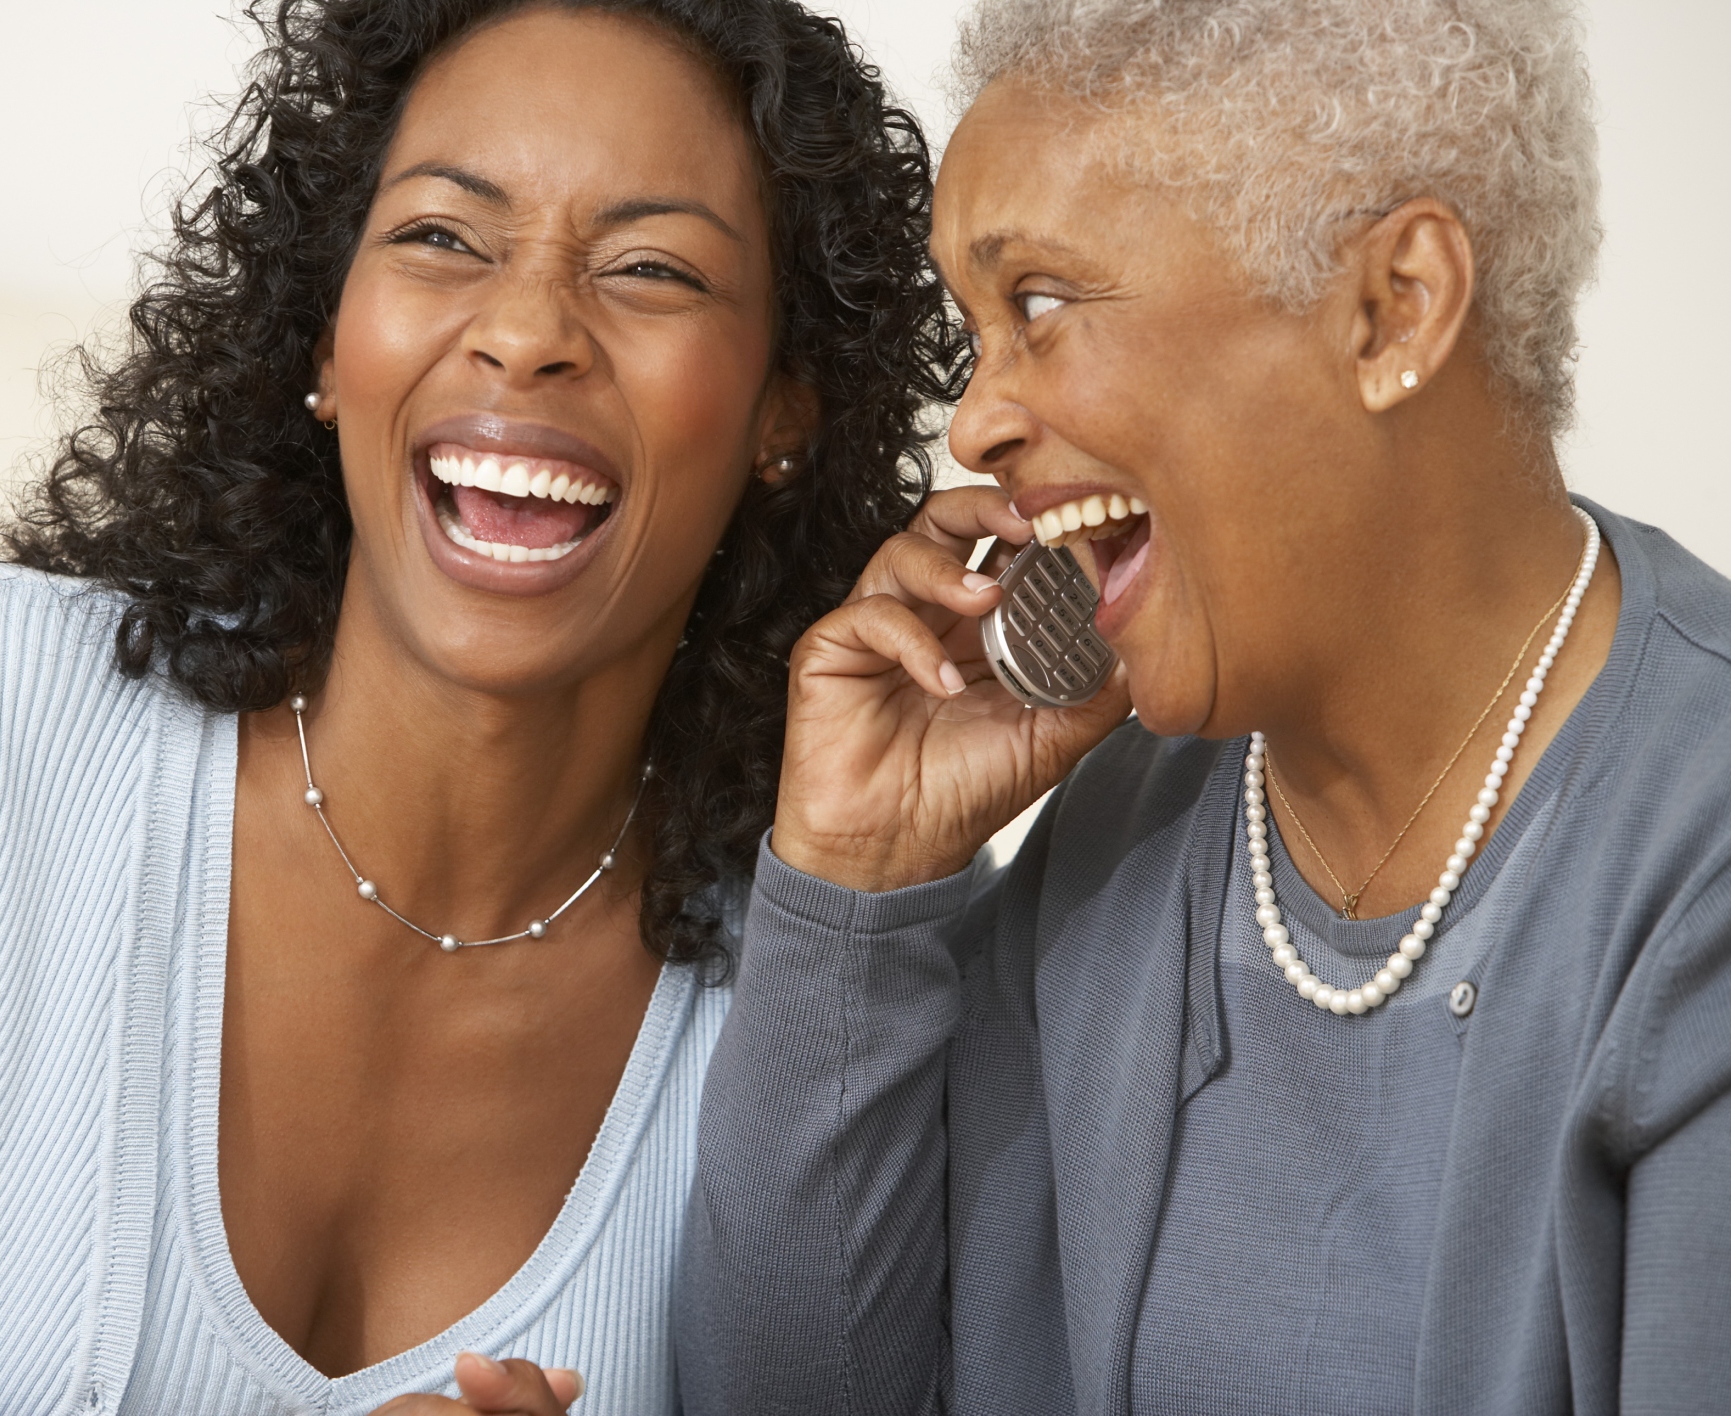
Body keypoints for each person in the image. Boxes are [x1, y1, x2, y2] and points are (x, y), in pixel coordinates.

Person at [0, 1, 960, 1411]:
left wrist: (866, 883)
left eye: (650, 268)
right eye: (443, 237)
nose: (524, 331)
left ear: (784, 412)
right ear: (328, 334)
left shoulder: (813, 963)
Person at [677, 1, 1731, 1412]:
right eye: (975, 329)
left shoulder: (1694, 870)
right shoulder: (1134, 822)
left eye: (1040, 304)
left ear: (1392, 305)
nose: (976, 422)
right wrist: (857, 878)